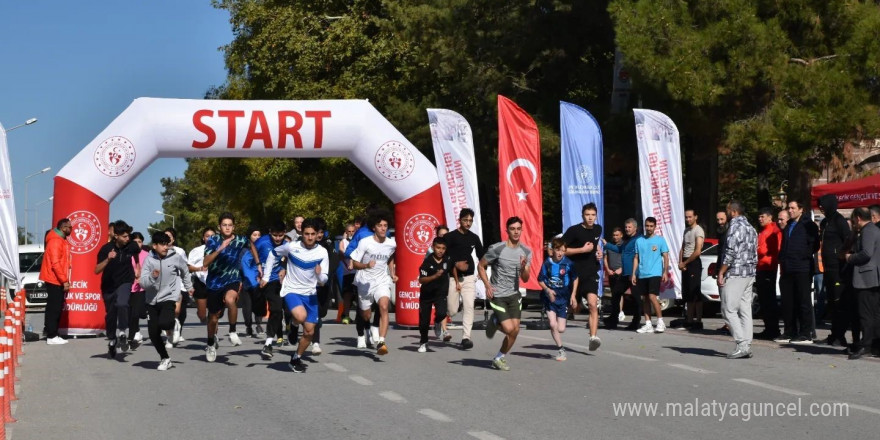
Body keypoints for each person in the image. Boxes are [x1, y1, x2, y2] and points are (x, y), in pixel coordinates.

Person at [263, 219, 329, 372]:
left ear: (318, 234)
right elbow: (273, 254)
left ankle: (296, 358)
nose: (310, 237)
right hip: (292, 290)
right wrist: (266, 276)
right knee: (300, 316)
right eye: (307, 234)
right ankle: (293, 326)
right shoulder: (291, 247)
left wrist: (319, 276)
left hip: (311, 294)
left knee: (309, 332)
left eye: (313, 234)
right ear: (302, 233)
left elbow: (324, 280)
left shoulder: (322, 252)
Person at [202, 212, 262, 362]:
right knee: (213, 317)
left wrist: (258, 264)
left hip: (232, 278)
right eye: (224, 225)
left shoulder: (240, 239)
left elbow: (252, 245)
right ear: (219, 226)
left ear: (233, 227)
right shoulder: (213, 241)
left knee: (230, 300)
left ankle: (232, 331)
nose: (227, 228)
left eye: (230, 225)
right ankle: (210, 343)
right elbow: (205, 262)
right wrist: (220, 248)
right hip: (214, 282)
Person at [480, 216, 532, 371]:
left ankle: (499, 357)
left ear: (522, 230)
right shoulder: (497, 248)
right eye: (512, 229)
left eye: (518, 229)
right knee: (510, 329)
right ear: (507, 230)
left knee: (516, 330)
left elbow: (526, 278)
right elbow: (481, 266)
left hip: (514, 295)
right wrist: (487, 285)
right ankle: (496, 322)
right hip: (498, 294)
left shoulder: (526, 251)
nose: (516, 232)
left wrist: (523, 267)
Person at [139, 232, 194, 371]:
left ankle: (174, 323)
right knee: (153, 334)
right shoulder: (148, 260)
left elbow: (185, 271)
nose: (165, 247)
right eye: (162, 244)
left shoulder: (175, 257)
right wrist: (152, 276)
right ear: (154, 245)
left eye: (167, 244)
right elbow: (143, 283)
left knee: (165, 323)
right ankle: (165, 358)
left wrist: (189, 287)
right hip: (151, 300)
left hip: (169, 296)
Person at [350, 210, 397, 355]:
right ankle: (365, 330)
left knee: (384, 306)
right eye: (380, 225)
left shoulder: (391, 244)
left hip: (382, 280)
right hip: (365, 282)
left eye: (385, 226)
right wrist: (366, 265)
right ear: (374, 228)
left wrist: (393, 273)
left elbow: (389, 258)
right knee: (366, 315)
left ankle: (381, 342)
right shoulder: (365, 243)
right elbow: (355, 263)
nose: (383, 228)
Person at [717, 201, 758, 359]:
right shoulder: (751, 228)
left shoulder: (734, 227)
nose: (727, 214)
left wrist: (721, 271)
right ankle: (746, 344)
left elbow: (730, 252)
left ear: (733, 212)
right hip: (749, 272)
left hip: (736, 272)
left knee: (728, 309)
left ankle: (741, 344)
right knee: (745, 310)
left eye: (728, 211)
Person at [95, 220, 141, 357]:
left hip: (125, 281)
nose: (128, 239)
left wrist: (138, 268)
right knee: (110, 315)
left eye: (128, 236)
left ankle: (122, 331)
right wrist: (108, 259)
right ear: (116, 236)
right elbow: (96, 270)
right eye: (124, 236)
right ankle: (112, 339)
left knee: (122, 303)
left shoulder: (131, 246)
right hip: (108, 285)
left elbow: (138, 254)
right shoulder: (105, 249)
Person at [778, 200, 820, 344]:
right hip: (788, 268)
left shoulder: (809, 225)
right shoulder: (789, 225)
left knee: (803, 301)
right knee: (789, 301)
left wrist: (802, 255)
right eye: (788, 208)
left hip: (802, 267)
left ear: (801, 209)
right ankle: (789, 331)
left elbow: (814, 244)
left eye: (793, 208)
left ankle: (805, 333)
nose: (790, 210)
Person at [443, 208, 486, 350]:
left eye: (470, 221)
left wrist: (482, 268)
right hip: (452, 277)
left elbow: (482, 255)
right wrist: (455, 264)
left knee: (469, 306)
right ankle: (440, 321)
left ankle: (466, 338)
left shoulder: (474, 238)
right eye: (465, 220)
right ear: (459, 220)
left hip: (468, 277)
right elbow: (442, 256)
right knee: (452, 309)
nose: (468, 223)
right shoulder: (450, 237)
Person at [562, 203, 603, 349]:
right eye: (587, 215)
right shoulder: (574, 231)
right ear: (582, 215)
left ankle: (593, 337)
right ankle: (562, 317)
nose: (590, 218)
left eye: (593, 215)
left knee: (593, 304)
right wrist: (582, 249)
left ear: (596, 215)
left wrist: (599, 252)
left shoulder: (598, 228)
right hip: (575, 274)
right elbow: (561, 250)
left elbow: (595, 244)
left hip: (591, 272)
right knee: (575, 308)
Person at [845, 208, 880, 360]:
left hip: (867, 277)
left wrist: (850, 258)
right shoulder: (872, 229)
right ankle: (873, 344)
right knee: (873, 313)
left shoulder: (868, 230)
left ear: (858, 218)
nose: (853, 224)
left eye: (853, 220)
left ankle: (866, 344)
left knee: (866, 314)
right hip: (872, 276)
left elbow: (866, 253)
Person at [817, 194, 852, 346]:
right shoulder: (825, 222)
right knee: (831, 302)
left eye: (823, 205)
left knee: (839, 303)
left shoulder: (840, 221)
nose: (820, 208)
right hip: (827, 268)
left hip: (838, 268)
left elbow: (848, 240)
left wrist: (841, 254)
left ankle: (840, 336)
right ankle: (833, 334)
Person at [538, 238, 579, 360]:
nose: (560, 253)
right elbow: (540, 280)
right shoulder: (547, 263)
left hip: (563, 297)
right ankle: (561, 349)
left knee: (561, 329)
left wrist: (573, 295)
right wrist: (548, 290)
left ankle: (558, 337)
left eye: (562, 250)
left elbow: (575, 278)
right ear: (553, 250)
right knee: (552, 324)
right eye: (557, 250)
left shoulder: (569, 263)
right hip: (550, 297)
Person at [632, 217, 669, 334]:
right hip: (642, 273)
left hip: (655, 273)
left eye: (651, 226)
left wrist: (665, 272)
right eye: (647, 226)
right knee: (645, 299)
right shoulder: (639, 241)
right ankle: (648, 324)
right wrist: (634, 273)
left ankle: (660, 322)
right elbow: (636, 258)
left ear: (655, 227)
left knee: (653, 296)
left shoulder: (660, 240)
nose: (649, 228)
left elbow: (666, 256)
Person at [256, 221, 287, 360]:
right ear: (270, 233)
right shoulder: (262, 242)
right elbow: (249, 255)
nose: (278, 238)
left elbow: (291, 260)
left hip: (275, 280)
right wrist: (256, 271)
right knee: (259, 310)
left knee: (277, 310)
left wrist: (283, 268)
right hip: (259, 279)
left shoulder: (286, 245)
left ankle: (268, 343)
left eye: (280, 235)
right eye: (275, 235)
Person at [39, 218, 72, 345]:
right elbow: (55, 263)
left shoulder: (61, 240)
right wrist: (64, 280)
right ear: (63, 228)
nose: (71, 229)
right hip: (54, 279)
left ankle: (53, 333)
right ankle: (51, 335)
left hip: (57, 279)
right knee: (54, 308)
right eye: (70, 227)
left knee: (56, 307)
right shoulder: (55, 241)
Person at [417, 236, 451, 353]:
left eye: (443, 248)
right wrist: (434, 276)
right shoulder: (427, 262)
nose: (440, 250)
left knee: (442, 313)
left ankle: (437, 322)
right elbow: (421, 280)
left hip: (441, 293)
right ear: (433, 247)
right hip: (426, 294)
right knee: (424, 322)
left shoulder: (447, 260)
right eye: (438, 248)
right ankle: (423, 342)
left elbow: (454, 268)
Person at [755, 208, 782, 340]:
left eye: (763, 216)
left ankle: (773, 329)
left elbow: (776, 250)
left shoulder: (774, 230)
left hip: (768, 267)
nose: (760, 219)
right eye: (759, 217)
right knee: (764, 300)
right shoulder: (764, 230)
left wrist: (762, 252)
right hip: (762, 266)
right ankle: (769, 328)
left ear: (770, 217)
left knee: (768, 300)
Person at [677, 209, 705, 330]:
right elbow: (683, 247)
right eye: (686, 217)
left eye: (690, 217)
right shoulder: (686, 230)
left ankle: (698, 320)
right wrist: (681, 262)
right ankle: (689, 319)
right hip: (686, 262)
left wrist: (686, 262)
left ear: (695, 217)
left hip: (693, 262)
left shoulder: (698, 230)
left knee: (695, 293)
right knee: (687, 292)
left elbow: (697, 251)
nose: (688, 219)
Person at [164, 228, 189, 346]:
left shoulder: (179, 251)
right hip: (162, 286)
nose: (167, 239)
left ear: (173, 239)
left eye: (169, 236)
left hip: (177, 284)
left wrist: (188, 285)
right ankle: (170, 334)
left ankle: (175, 327)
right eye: (165, 236)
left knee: (177, 310)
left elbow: (185, 268)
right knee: (165, 312)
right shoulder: (157, 251)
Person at [239, 225, 264, 339]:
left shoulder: (263, 249)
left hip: (259, 282)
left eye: (259, 235)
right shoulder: (243, 251)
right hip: (246, 283)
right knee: (247, 308)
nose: (257, 237)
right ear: (249, 237)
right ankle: (248, 326)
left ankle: (259, 325)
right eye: (254, 235)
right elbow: (239, 267)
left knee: (259, 306)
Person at [187, 227, 215, 324]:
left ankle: (213, 333)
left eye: (213, 236)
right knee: (202, 314)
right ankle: (203, 317)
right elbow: (189, 268)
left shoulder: (220, 249)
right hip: (201, 283)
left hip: (216, 282)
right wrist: (199, 268)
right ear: (203, 238)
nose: (210, 238)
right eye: (207, 236)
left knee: (215, 312)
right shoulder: (196, 251)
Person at [602, 227, 627, 328]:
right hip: (611, 272)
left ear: (621, 235)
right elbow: (605, 258)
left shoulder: (624, 245)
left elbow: (627, 259)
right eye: (614, 235)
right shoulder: (609, 245)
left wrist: (621, 268)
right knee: (614, 293)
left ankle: (620, 312)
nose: (615, 237)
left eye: (617, 235)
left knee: (619, 293)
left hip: (621, 272)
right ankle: (615, 314)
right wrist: (608, 269)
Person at [128, 232, 150, 348]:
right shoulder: (127, 254)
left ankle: (134, 333)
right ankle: (135, 334)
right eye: (135, 242)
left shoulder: (147, 255)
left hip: (142, 288)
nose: (137, 244)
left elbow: (152, 270)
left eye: (140, 242)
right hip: (128, 288)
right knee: (130, 314)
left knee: (138, 312)